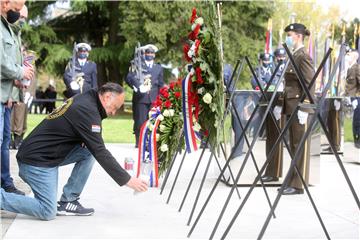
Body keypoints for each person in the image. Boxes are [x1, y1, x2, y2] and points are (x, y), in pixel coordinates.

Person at [1, 83, 148, 220]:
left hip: (46, 155)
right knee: (47, 210)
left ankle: (69, 201)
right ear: (107, 96)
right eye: (115, 107)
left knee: (88, 151)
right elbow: (101, 152)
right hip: (35, 162)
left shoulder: (88, 99)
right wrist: (128, 180)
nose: (114, 112)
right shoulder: (87, 109)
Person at [274, 23, 315, 195]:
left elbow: (309, 83)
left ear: (298, 36)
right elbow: (289, 83)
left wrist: (305, 108)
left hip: (299, 106)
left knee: (299, 145)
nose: (288, 38)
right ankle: (291, 180)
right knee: (293, 145)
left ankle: (298, 185)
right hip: (291, 105)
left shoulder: (303, 56)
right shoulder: (294, 55)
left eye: (290, 35)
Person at [1, 0, 34, 195]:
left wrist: (14, 90)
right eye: (17, 11)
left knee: (4, 141)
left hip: (5, 96)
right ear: (5, 4)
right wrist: (21, 73)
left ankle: (5, 182)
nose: (19, 17)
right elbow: (3, 64)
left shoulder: (11, 31)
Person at [125, 44, 164, 147]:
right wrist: (138, 86)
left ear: (154, 55)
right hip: (141, 98)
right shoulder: (137, 65)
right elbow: (129, 77)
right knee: (140, 120)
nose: (150, 55)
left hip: (154, 99)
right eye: (147, 53)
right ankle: (139, 141)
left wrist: (161, 98)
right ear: (144, 54)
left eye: (152, 53)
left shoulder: (158, 68)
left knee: (153, 120)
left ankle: (150, 141)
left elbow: (160, 84)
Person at [261, 48, 287, 183]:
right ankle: (270, 170)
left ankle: (275, 172)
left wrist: (280, 103)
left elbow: (288, 86)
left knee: (277, 140)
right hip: (271, 103)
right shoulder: (272, 68)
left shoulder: (288, 67)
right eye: (279, 57)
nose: (281, 59)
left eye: (283, 56)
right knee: (270, 139)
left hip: (280, 105)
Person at [10, 5, 29, 150]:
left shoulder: (17, 35)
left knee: (21, 114)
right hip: (8, 89)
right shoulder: (7, 33)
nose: (22, 21)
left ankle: (18, 139)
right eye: (21, 17)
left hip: (19, 87)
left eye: (25, 18)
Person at [344, 49, 360, 148]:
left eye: (349, 55)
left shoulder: (357, 68)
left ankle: (358, 140)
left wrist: (356, 98)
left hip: (356, 99)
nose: (347, 57)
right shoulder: (349, 68)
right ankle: (356, 140)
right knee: (353, 121)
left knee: (357, 120)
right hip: (348, 98)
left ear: (354, 57)